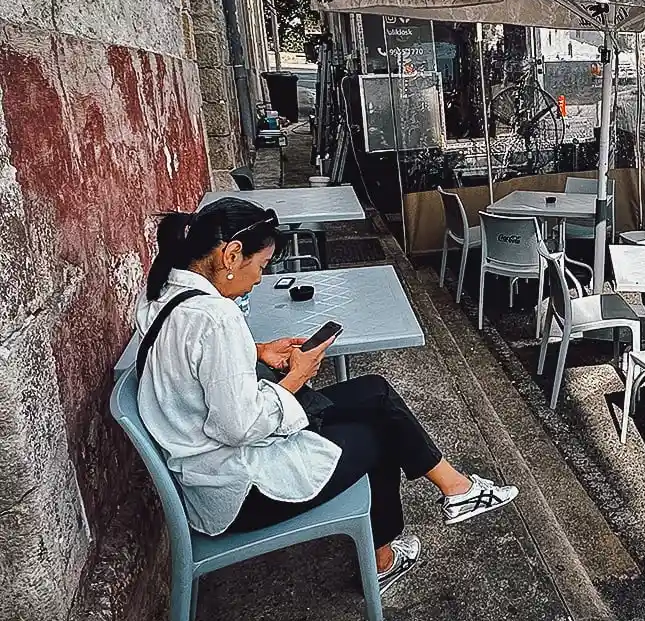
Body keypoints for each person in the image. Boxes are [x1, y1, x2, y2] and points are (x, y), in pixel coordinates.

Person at [135, 197, 517, 592]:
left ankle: (457, 489)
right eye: (261, 266)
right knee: (381, 436)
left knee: (375, 392)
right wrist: (296, 378)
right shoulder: (218, 318)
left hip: (206, 471)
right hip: (235, 494)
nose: (260, 279)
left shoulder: (163, 292)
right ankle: (386, 559)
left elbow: (188, 362)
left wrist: (256, 350)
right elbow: (238, 426)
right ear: (232, 255)